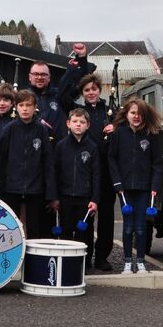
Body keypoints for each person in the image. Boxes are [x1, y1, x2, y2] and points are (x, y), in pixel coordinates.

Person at [0, 89, 55, 239]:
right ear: (16, 107)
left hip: (35, 189)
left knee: (34, 229)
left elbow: (48, 162)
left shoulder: (42, 130)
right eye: (21, 105)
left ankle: (32, 262)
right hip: (11, 188)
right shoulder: (9, 129)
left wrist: (51, 193)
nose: (25, 109)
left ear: (35, 107)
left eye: (29, 105)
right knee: (10, 228)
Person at [67, 72, 117, 271]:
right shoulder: (79, 113)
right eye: (86, 90)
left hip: (107, 171)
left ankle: (102, 256)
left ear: (99, 89)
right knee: (87, 215)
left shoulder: (110, 111)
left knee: (106, 217)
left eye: (94, 89)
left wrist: (115, 129)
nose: (91, 93)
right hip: (86, 171)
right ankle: (85, 256)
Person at [108, 97, 162, 274]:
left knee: (141, 227)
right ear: (127, 114)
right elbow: (112, 158)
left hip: (144, 188)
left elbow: (157, 163)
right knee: (128, 226)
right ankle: (126, 262)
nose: (136, 116)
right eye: (133, 113)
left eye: (139, 113)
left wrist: (154, 185)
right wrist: (117, 183)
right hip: (124, 189)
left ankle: (140, 262)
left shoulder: (151, 135)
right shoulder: (119, 133)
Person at [51, 108, 100, 264]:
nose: (78, 125)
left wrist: (95, 199)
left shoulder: (92, 147)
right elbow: (55, 173)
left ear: (88, 125)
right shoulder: (60, 146)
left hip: (84, 198)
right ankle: (65, 263)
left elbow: (96, 175)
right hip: (65, 197)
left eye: (82, 122)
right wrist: (55, 197)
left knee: (84, 231)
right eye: (75, 121)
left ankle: (83, 264)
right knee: (65, 230)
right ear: (68, 124)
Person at [25, 47, 89, 140]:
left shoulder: (60, 95)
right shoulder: (23, 98)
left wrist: (82, 58)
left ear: (49, 77)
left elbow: (82, 83)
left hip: (58, 150)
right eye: (36, 74)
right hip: (34, 149)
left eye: (43, 74)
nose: (39, 77)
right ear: (30, 77)